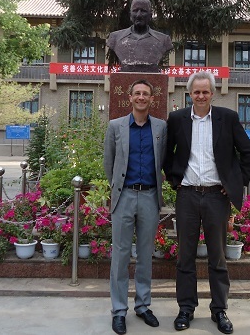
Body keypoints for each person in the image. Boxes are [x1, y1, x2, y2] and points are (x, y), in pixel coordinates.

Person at [164, 71, 250, 334]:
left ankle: (219, 310)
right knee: (185, 256)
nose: (201, 96)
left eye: (205, 91)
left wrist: (235, 183)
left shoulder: (228, 118)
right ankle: (186, 309)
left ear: (212, 94)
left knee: (218, 256)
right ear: (190, 94)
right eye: (196, 92)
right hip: (188, 195)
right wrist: (173, 179)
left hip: (217, 196)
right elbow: (167, 153)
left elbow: (247, 152)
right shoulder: (177, 119)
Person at [103, 79, 168, 334]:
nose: (141, 97)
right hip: (124, 197)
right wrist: (118, 190)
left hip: (150, 197)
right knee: (120, 256)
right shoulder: (115, 126)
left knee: (145, 255)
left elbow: (163, 160)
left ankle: (143, 305)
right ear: (129, 97)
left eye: (146, 94)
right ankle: (119, 310)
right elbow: (109, 163)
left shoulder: (160, 127)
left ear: (152, 99)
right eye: (137, 93)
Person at [106, 0, 173, 72]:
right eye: (135, 11)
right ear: (130, 15)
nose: (138, 15)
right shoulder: (115, 38)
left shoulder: (163, 40)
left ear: (150, 15)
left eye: (143, 11)